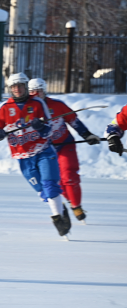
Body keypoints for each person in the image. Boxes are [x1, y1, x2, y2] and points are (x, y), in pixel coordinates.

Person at [0, 72, 72, 237]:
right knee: (42, 192)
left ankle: (57, 219)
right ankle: (61, 208)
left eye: (20, 86)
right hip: (23, 158)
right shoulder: (4, 108)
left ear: (26, 87)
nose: (17, 90)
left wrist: (40, 127)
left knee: (50, 185)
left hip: (43, 151)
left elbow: (49, 130)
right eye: (14, 87)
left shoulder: (37, 104)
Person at [27, 78, 102, 222]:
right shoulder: (28, 110)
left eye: (39, 91)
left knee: (69, 175)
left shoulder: (57, 105)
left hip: (65, 145)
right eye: (32, 91)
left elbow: (73, 120)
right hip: (46, 150)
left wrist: (87, 135)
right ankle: (68, 201)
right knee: (56, 181)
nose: (36, 94)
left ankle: (76, 206)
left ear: (45, 91)